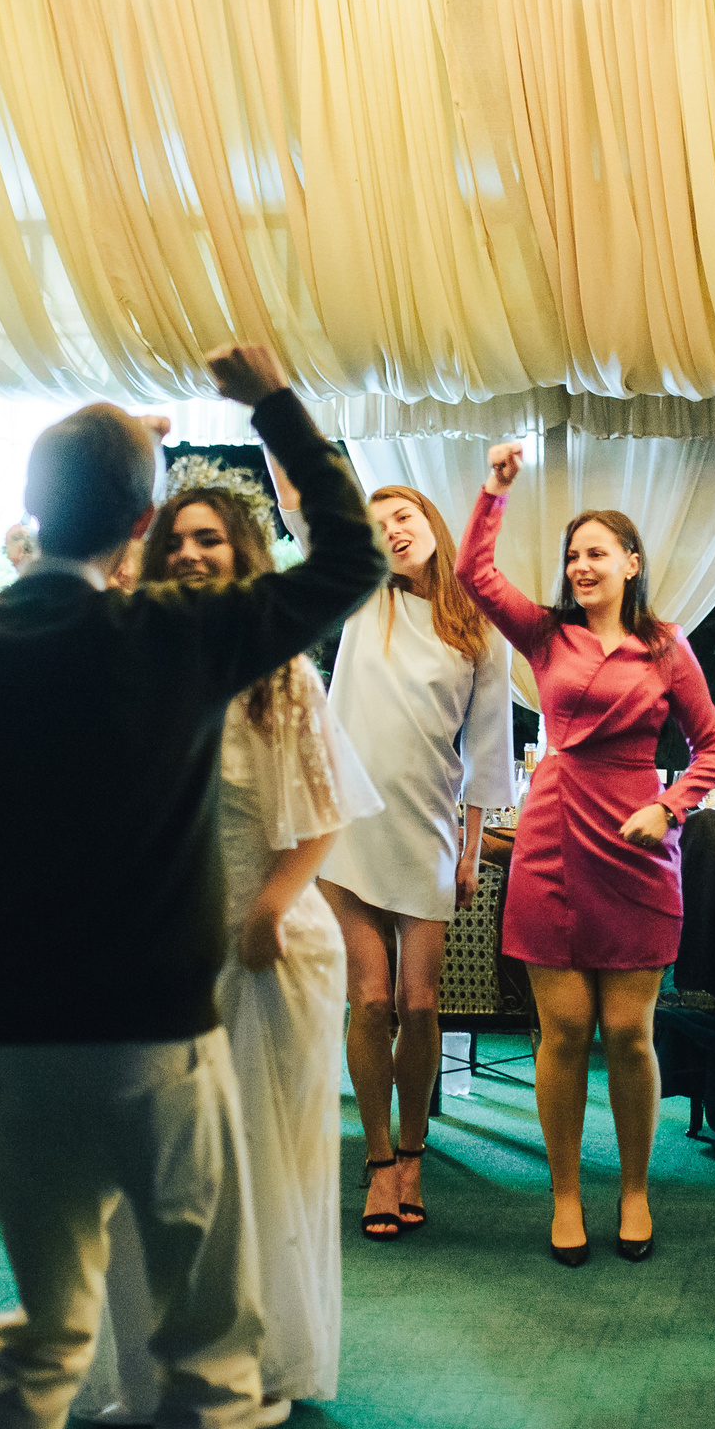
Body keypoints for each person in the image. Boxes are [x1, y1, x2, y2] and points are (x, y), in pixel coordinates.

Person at [0, 345, 383, 1429]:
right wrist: (272, 406)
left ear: (31, 510)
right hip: (159, 1044)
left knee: (45, 1326)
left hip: (14, 1052)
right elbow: (349, 558)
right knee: (211, 1347)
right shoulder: (175, 634)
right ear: (145, 520)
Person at [74, 471, 381, 1428]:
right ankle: (160, 1366)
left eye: (212, 539)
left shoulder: (279, 664)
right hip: (153, 943)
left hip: (265, 943)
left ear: (242, 553)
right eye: (178, 540)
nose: (193, 553)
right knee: (146, 1169)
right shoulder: (130, 653)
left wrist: (269, 910)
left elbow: (324, 813)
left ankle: (257, 1366)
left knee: (252, 1163)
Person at [456, 444, 715, 1265]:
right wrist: (494, 490)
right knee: (564, 1030)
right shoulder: (544, 636)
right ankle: (567, 1194)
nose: (580, 565)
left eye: (595, 553)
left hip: (637, 848)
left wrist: (669, 805)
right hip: (550, 840)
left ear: (631, 563)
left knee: (629, 1034)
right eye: (572, 555)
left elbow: (712, 746)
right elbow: (474, 572)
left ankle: (637, 1189)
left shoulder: (667, 646)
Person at [271, 468, 513, 1240]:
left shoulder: (477, 626)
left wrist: (474, 850)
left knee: (419, 1002)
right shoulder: (359, 596)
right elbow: (301, 513)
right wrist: (281, 439)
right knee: (370, 1000)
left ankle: (416, 1149)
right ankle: (381, 1163)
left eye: (403, 515)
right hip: (349, 828)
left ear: (433, 524)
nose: (391, 531)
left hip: (432, 830)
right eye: (377, 526)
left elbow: (486, 752)